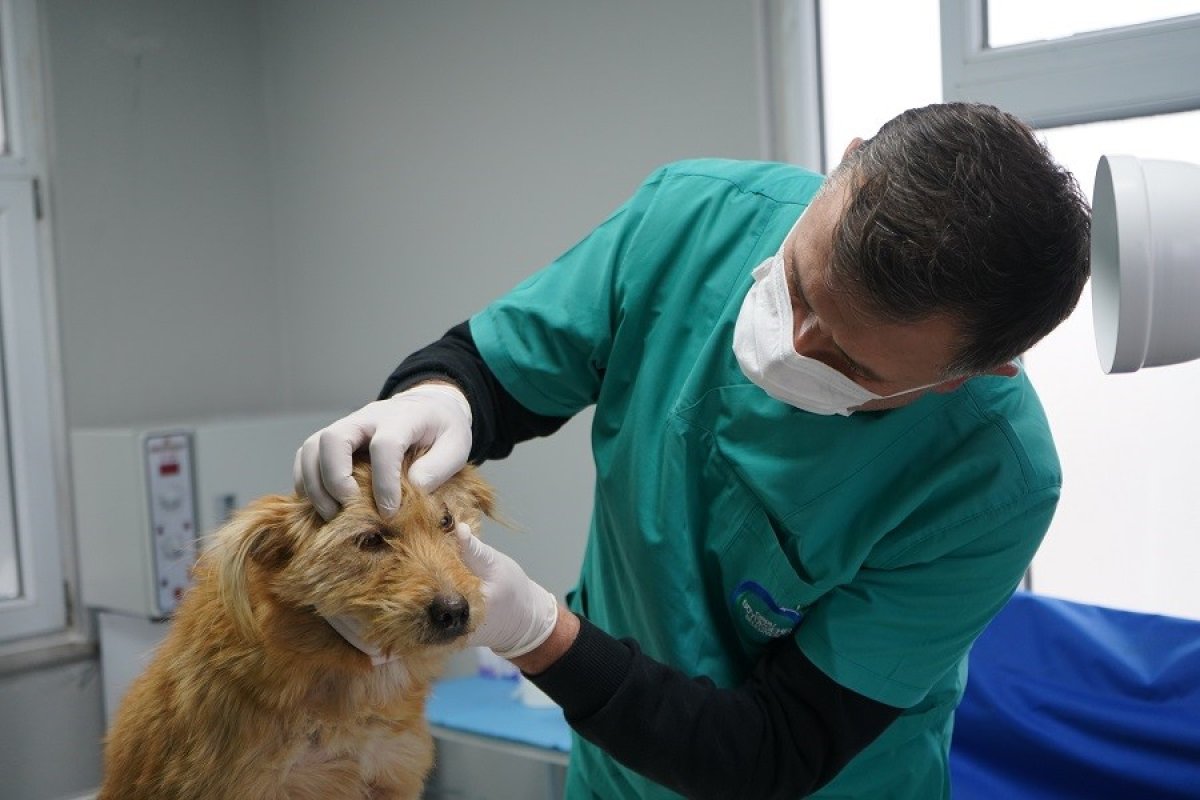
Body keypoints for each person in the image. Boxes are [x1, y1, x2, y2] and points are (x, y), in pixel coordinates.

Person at [295, 102, 1090, 799]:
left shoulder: (994, 480)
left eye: (851, 365)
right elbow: (499, 372)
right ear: (843, 165)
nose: (794, 344)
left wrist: (534, 630)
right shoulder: (692, 219)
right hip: (613, 778)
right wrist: (436, 397)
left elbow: (770, 752)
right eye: (797, 286)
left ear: (980, 370)